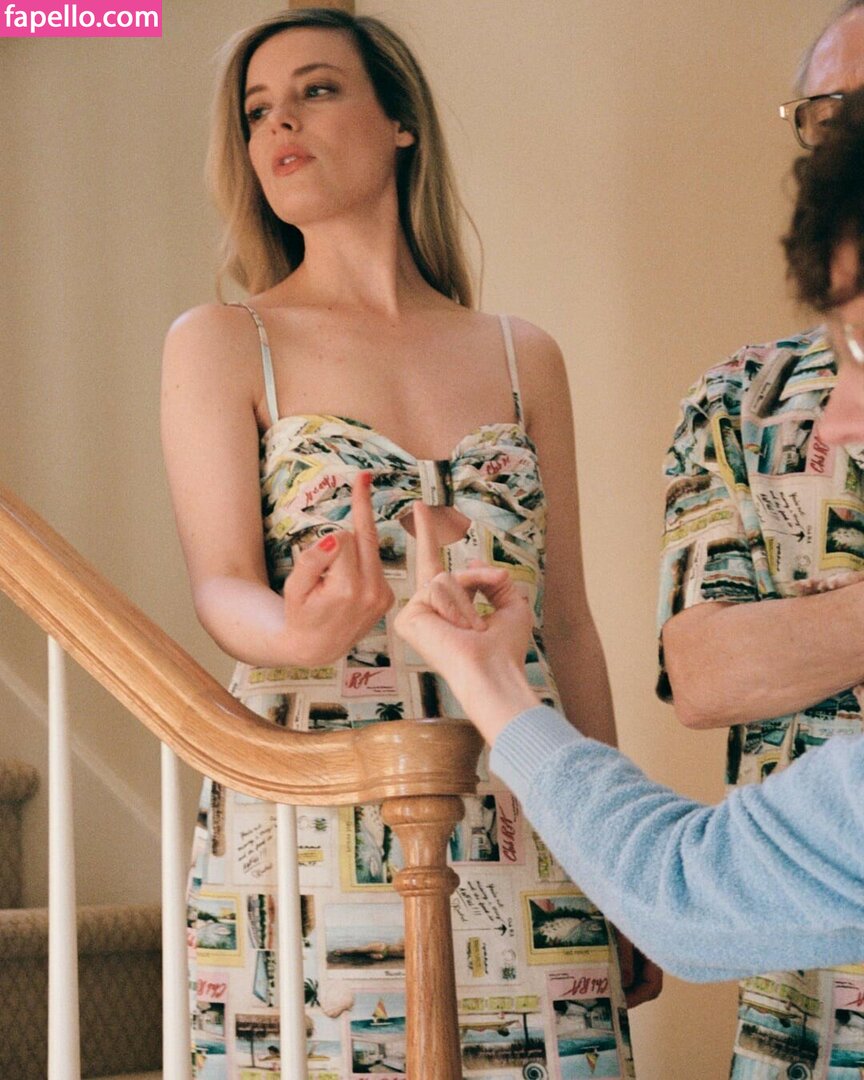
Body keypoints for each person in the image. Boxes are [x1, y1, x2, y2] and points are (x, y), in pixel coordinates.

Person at [160, 9, 655, 1078]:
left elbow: (566, 624)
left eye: (316, 89)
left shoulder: (523, 355)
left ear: (400, 123)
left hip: (526, 800)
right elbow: (222, 586)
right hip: (316, 810)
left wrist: (618, 854)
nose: (279, 122)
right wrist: (295, 633)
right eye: (256, 110)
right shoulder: (224, 341)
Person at [393, 86, 864, 987]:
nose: (835, 420)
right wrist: (496, 684)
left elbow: (681, 896)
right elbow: (705, 678)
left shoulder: (521, 355)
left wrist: (493, 687)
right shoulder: (734, 400)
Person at [657, 3, 864, 1075]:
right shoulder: (742, 399)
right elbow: (707, 673)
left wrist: (809, 635)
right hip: (806, 990)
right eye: (832, 113)